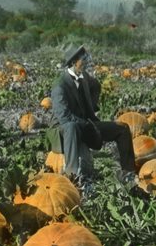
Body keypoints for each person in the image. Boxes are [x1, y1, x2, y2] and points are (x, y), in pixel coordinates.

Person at [49, 44, 136, 187]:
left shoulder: (84, 78)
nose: (87, 61)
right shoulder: (60, 85)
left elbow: (96, 86)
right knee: (71, 126)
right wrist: (87, 124)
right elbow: (63, 117)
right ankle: (73, 177)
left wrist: (90, 108)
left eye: (86, 57)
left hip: (84, 123)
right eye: (83, 58)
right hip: (63, 128)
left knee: (123, 128)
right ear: (73, 62)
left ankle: (128, 173)